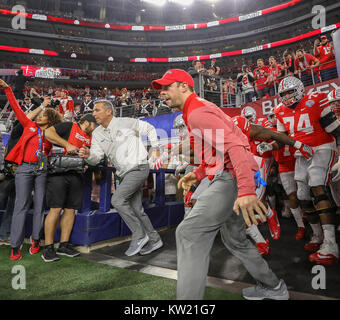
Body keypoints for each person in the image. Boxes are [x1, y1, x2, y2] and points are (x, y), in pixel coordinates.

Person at [151, 69, 289, 300]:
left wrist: (245, 190)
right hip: (228, 175)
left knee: (189, 232)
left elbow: (237, 146)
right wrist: (199, 173)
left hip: (231, 178)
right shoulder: (193, 111)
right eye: (161, 89)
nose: (162, 93)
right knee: (234, 239)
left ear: (184, 86)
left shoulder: (197, 111)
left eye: (167, 87)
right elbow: (218, 153)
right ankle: (274, 287)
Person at [78, 100, 163, 256]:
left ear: (109, 111)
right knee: (137, 209)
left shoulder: (125, 122)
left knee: (117, 200)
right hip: (124, 173)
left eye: (97, 110)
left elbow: (150, 128)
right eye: (93, 110)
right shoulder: (96, 133)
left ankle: (139, 235)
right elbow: (96, 158)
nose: (94, 113)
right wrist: (89, 155)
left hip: (138, 167)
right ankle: (155, 239)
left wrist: (156, 148)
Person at [274, 76, 340, 266]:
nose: (287, 97)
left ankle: (331, 244)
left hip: (322, 147)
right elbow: (282, 139)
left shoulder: (316, 100)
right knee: (302, 195)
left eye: (290, 92)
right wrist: (270, 145)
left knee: (316, 184)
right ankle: (318, 235)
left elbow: (336, 130)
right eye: (283, 94)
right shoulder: (279, 111)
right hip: (301, 153)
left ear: (300, 89)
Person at [0, 79, 63, 261]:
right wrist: (9, 89)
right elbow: (16, 108)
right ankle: (15, 245)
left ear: (50, 119)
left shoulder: (52, 133)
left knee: (39, 207)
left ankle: (36, 240)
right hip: (25, 169)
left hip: (42, 170)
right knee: (21, 205)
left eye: (43, 115)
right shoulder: (29, 126)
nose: (39, 116)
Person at [41, 114, 97, 262]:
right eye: (94, 125)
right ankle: (48, 247)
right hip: (58, 173)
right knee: (55, 208)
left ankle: (64, 245)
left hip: (76, 174)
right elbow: (47, 133)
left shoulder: (91, 138)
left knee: (71, 209)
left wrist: (86, 163)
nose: (95, 128)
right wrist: (66, 144)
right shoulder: (68, 126)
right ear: (87, 122)